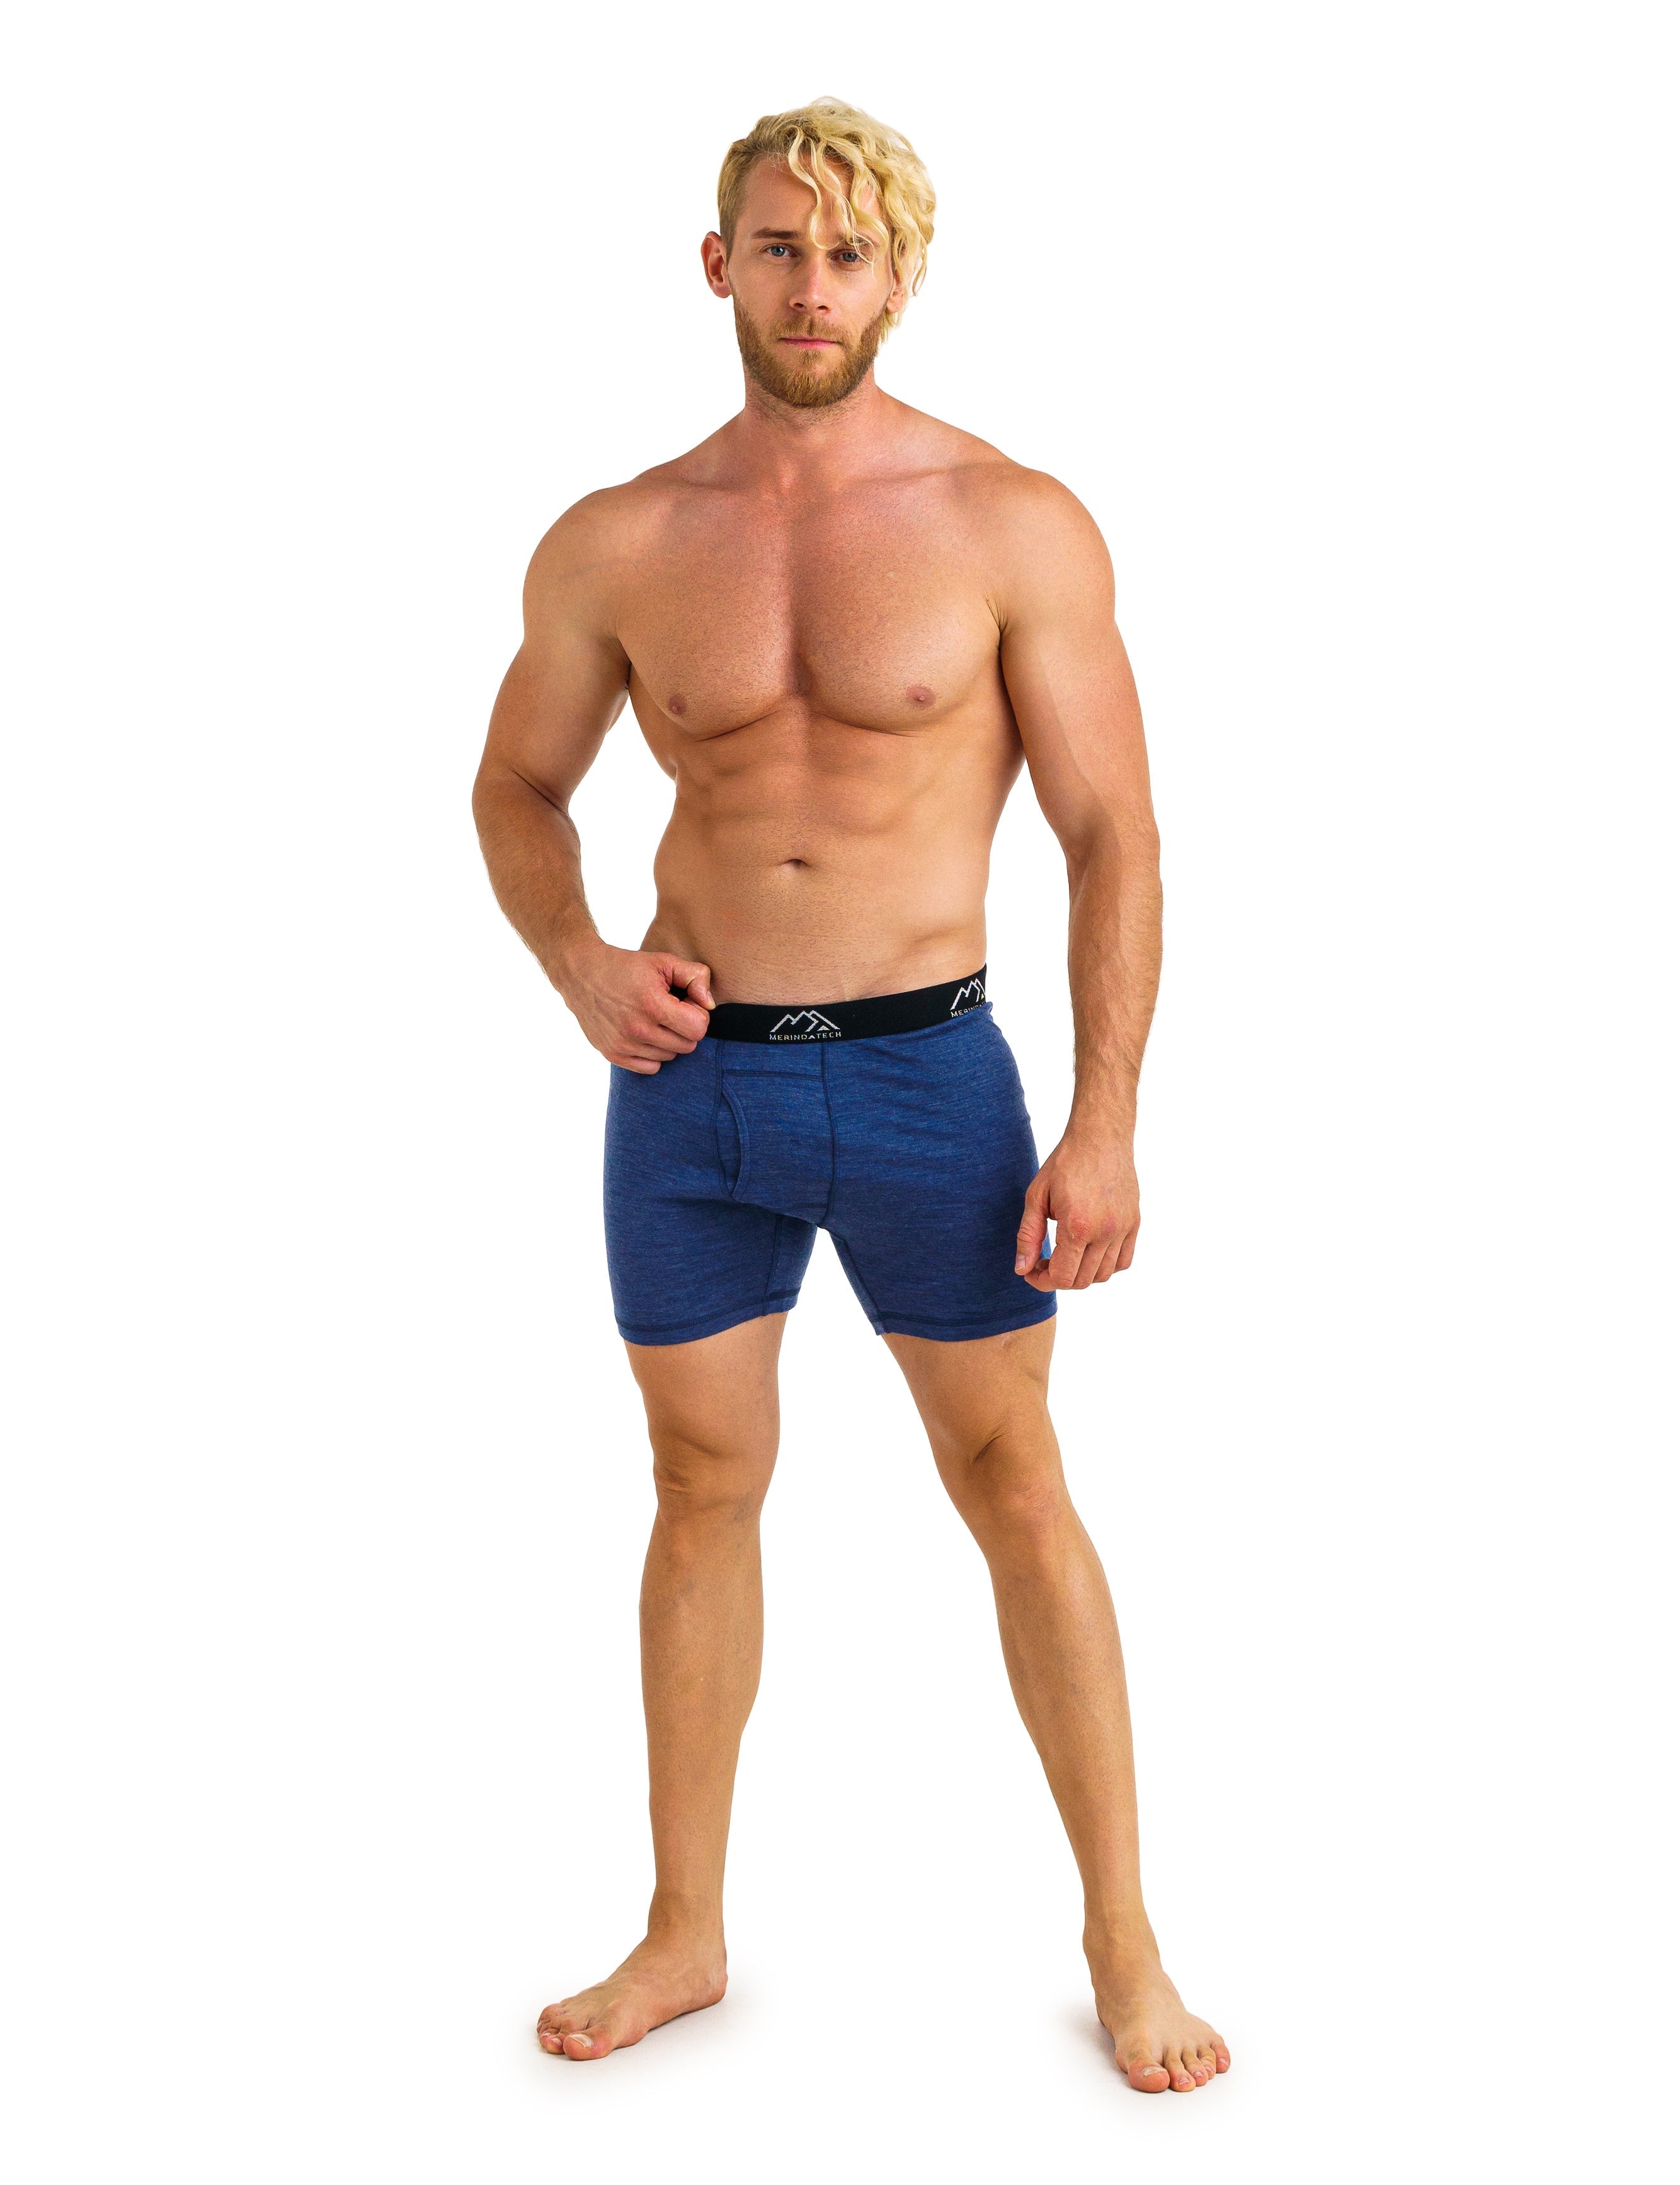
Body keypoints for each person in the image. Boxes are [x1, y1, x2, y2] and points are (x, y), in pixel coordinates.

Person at [472, 97, 1228, 2094]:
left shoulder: (1008, 521)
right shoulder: (619, 539)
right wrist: (578, 959)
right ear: (715, 264)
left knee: (1011, 1482)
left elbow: (1114, 834)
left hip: (927, 1083)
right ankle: (683, 1928)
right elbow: (516, 784)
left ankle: (1124, 1937)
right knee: (696, 1484)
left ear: (899, 278)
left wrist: (1104, 1118)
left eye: (847, 253)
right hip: (690, 1092)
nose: (811, 286)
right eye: (779, 246)